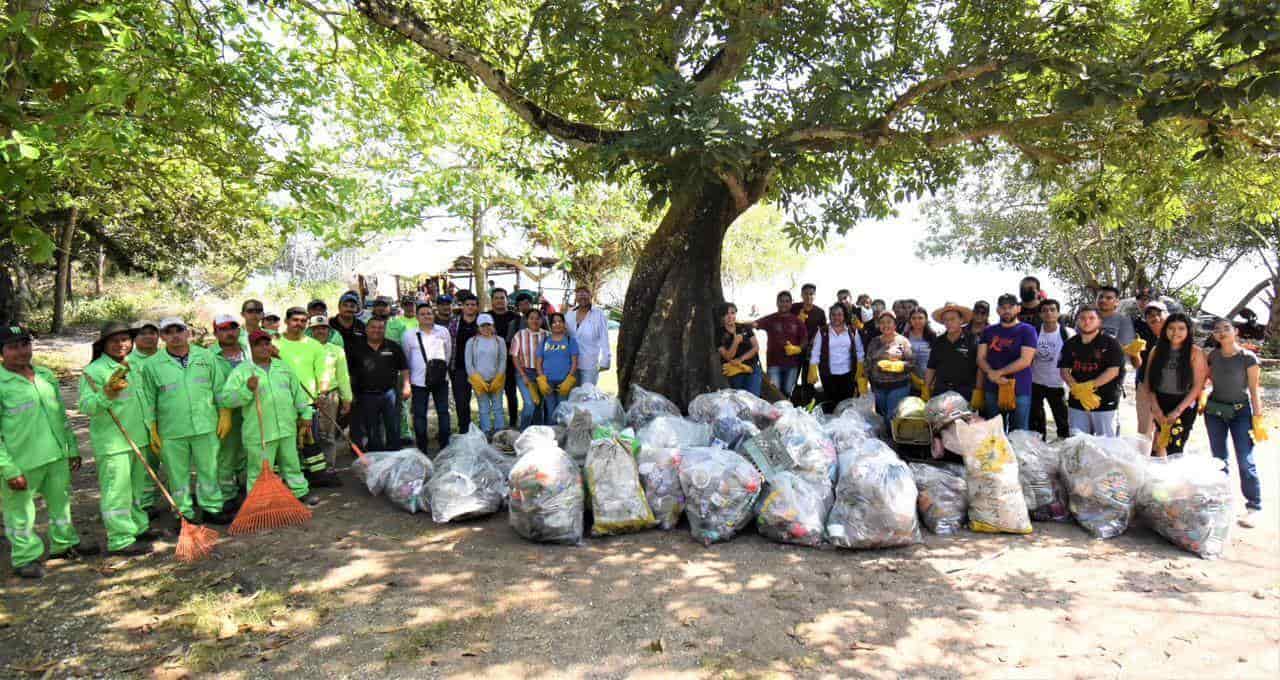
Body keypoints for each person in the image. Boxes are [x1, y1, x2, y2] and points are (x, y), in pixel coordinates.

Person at [1, 325, 98, 577]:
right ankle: (24, 558)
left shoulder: (45, 375)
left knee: (61, 503)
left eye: (25, 344)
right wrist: (8, 469)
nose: (21, 352)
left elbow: (60, 417)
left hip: (55, 455)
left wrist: (72, 448)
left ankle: (63, 545)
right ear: (2, 352)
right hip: (21, 461)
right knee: (20, 512)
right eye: (13, 347)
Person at [137, 318, 227, 523]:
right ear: (162, 336)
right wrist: (152, 427)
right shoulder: (152, 365)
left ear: (188, 333)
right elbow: (149, 399)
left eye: (180, 330)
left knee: (209, 469)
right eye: (169, 332)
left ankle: (212, 507)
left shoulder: (205, 357)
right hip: (172, 430)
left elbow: (219, 388)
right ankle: (183, 513)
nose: (175, 335)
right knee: (177, 475)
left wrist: (225, 413)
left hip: (206, 426)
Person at [78, 322, 156, 557]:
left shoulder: (133, 365)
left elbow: (142, 401)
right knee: (117, 492)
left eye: (125, 339)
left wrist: (151, 429)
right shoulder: (94, 372)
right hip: (113, 443)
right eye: (115, 340)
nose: (121, 344)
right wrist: (107, 393)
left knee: (137, 490)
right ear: (103, 344)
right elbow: (87, 407)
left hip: (138, 437)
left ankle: (138, 528)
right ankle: (120, 539)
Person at [217, 331, 318, 506]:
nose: (264, 348)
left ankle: (300, 492)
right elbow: (227, 400)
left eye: (267, 343)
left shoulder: (283, 368)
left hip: (286, 428)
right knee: (259, 471)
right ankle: (259, 504)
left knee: (292, 464)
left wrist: (306, 414)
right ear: (251, 348)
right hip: (259, 432)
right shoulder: (243, 371)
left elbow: (298, 395)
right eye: (258, 344)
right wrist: (247, 390)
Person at [1201, 318, 1267, 528]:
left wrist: (1257, 418)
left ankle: (1253, 507)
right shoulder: (1212, 356)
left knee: (1245, 461)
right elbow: (1205, 381)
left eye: (1226, 328)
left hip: (1241, 413)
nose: (1221, 332)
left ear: (1235, 331)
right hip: (1215, 412)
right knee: (1219, 460)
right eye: (1217, 330)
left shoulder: (1248, 358)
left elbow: (1254, 390)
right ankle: (1222, 505)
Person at [1145, 313, 1207, 456]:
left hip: (1184, 403)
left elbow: (1198, 385)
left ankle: (1172, 477)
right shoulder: (1156, 350)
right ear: (1165, 329)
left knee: (1175, 447)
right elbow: (1149, 381)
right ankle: (1156, 476)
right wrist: (1155, 407)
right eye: (1171, 328)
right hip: (1160, 401)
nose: (1175, 332)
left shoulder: (1195, 352)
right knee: (1158, 445)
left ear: (1188, 331)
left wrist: (1178, 411)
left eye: (1181, 328)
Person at [1057, 305, 1125, 437]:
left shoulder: (1111, 343)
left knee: (1107, 445)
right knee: (1078, 443)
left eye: (1091, 318)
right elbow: (1064, 370)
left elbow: (1113, 371)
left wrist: (1089, 386)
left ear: (1099, 321)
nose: (1086, 321)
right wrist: (1076, 387)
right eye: (1082, 318)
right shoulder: (1070, 343)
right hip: (1077, 401)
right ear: (1077, 321)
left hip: (1105, 401)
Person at [349, 317, 411, 452]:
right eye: (373, 327)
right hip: (366, 395)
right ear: (366, 329)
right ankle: (376, 456)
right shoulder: (356, 348)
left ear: (384, 330)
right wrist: (350, 393)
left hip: (389, 394)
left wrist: (407, 385)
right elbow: (349, 373)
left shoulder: (393, 346)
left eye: (380, 328)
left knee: (393, 427)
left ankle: (394, 455)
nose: (376, 330)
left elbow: (404, 368)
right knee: (372, 429)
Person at [977, 294, 1038, 431]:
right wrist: (991, 373)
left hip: (1019, 389)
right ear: (998, 310)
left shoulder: (1027, 330)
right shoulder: (988, 331)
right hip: (993, 388)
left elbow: (1025, 360)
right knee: (994, 431)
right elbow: (980, 358)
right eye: (1003, 307)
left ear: (1018, 309)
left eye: (1010, 307)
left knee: (1019, 432)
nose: (1007, 311)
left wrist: (998, 373)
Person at [209, 314, 248, 513]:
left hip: (250, 411)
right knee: (227, 455)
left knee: (250, 451)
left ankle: (246, 488)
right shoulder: (208, 356)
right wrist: (223, 410)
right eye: (223, 329)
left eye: (232, 328)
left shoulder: (248, 349)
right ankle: (227, 495)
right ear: (215, 333)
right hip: (225, 414)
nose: (229, 333)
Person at [307, 318, 351, 483]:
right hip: (308, 396)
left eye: (323, 328)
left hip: (329, 396)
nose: (320, 331)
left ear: (329, 331)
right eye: (316, 328)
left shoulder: (337, 350)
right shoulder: (305, 347)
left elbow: (343, 376)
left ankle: (328, 468)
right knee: (308, 435)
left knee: (327, 435)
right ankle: (311, 470)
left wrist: (347, 398)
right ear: (311, 330)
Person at [404, 302, 452, 452]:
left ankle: (445, 445)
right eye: (423, 314)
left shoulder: (443, 331)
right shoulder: (409, 335)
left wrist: (440, 371)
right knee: (419, 415)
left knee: (443, 412)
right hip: (418, 381)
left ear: (434, 315)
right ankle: (422, 447)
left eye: (429, 313)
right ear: (417, 317)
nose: (427, 316)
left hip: (440, 379)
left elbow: (448, 352)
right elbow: (406, 356)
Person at [128, 319, 163, 514]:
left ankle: (181, 504)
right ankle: (146, 504)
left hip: (169, 418)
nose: (149, 337)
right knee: (146, 464)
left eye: (153, 332)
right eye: (143, 333)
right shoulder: (127, 362)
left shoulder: (167, 357)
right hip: (141, 421)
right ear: (134, 337)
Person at [1029, 299, 1073, 440]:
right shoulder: (1033, 332)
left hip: (1058, 383)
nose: (1049, 313)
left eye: (1052, 310)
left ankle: (1064, 447)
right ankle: (1039, 448)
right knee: (1036, 421)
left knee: (1062, 421)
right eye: (1045, 310)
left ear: (1058, 313)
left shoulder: (1068, 333)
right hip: (1035, 381)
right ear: (1040, 314)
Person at [864, 311, 914, 433]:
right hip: (878, 387)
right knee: (881, 415)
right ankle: (886, 441)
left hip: (898, 386)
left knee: (892, 416)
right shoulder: (874, 341)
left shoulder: (903, 341)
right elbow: (868, 362)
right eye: (882, 322)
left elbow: (912, 363)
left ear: (894, 324)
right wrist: (864, 379)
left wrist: (898, 365)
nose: (885, 325)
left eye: (889, 322)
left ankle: (895, 442)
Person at [808, 304, 863, 412]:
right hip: (828, 374)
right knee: (831, 404)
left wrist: (861, 367)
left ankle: (845, 427)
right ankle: (832, 426)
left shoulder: (851, 330)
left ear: (844, 316)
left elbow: (859, 350)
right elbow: (815, 351)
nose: (836, 317)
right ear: (829, 316)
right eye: (833, 314)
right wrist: (812, 367)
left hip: (848, 374)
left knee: (846, 405)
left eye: (839, 314)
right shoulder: (823, 331)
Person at [752, 291, 807, 397]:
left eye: (787, 301)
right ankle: (777, 412)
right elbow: (754, 324)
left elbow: (805, 340)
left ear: (791, 303)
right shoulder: (770, 319)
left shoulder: (797, 321)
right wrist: (739, 323)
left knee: (787, 391)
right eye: (781, 301)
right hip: (774, 364)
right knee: (775, 392)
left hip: (792, 364)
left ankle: (786, 411)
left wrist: (798, 348)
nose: (784, 304)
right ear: (777, 303)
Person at [925, 303, 980, 403]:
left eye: (952, 319)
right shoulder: (938, 342)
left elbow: (980, 367)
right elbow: (931, 367)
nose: (949, 322)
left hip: (965, 392)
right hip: (941, 391)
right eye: (946, 320)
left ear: (961, 320)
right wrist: (926, 387)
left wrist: (979, 390)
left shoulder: (973, 340)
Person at [466, 314, 509, 436]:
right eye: (483, 326)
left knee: (498, 407)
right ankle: (486, 431)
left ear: (492, 325)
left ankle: (500, 432)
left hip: (496, 379)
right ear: (478, 327)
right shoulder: (472, 342)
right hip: (479, 381)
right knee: (483, 408)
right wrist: (476, 379)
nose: (486, 328)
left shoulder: (499, 341)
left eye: (488, 325)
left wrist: (499, 376)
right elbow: (469, 363)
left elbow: (502, 359)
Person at [1133, 300, 1168, 439]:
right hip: (1145, 386)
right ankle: (1143, 459)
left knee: (1165, 433)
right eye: (1149, 315)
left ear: (1167, 314)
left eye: (1158, 313)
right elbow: (1137, 364)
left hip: (1170, 390)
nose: (1155, 318)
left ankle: (1160, 458)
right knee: (1144, 433)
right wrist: (1134, 354)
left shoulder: (1178, 333)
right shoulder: (1141, 334)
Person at [487, 288, 522, 425]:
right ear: (492, 301)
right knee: (494, 396)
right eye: (496, 298)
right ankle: (494, 424)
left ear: (507, 300)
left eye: (502, 298)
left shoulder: (516, 318)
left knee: (511, 393)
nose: (500, 300)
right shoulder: (486, 317)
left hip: (510, 361)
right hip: (490, 362)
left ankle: (513, 422)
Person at [448, 292, 481, 433]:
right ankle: (464, 430)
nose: (470, 307)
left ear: (477, 307)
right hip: (460, 368)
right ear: (463, 307)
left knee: (483, 402)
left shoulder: (482, 322)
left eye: (473, 305)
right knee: (462, 402)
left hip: (480, 368)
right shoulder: (455, 323)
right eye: (467, 305)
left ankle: (484, 431)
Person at [566, 286, 611, 387]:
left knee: (586, 396)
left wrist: (605, 361)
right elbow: (564, 335)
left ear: (591, 296)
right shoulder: (569, 313)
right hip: (571, 364)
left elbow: (604, 338)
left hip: (589, 364)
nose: (582, 295)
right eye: (579, 293)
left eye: (585, 293)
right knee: (571, 396)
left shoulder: (599, 314)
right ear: (576, 297)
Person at [510, 308, 548, 428]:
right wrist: (523, 375)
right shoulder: (519, 335)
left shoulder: (547, 335)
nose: (534, 321)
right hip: (524, 372)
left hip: (541, 374)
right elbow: (515, 356)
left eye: (537, 318)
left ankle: (537, 433)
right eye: (531, 318)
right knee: (529, 403)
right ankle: (523, 430)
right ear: (527, 320)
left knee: (539, 405)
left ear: (542, 320)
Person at [536, 313, 579, 418]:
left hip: (564, 381)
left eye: (560, 321)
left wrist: (569, 379)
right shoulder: (545, 341)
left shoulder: (570, 341)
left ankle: (562, 432)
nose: (557, 324)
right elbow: (538, 362)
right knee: (550, 410)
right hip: (548, 381)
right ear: (550, 325)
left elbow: (574, 362)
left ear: (564, 324)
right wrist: (541, 379)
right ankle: (552, 432)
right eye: (554, 322)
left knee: (562, 410)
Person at [716, 303, 763, 396]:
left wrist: (740, 359)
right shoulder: (719, 333)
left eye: (732, 313)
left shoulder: (744, 328)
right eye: (726, 314)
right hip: (734, 370)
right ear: (721, 317)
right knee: (740, 399)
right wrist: (735, 342)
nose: (730, 316)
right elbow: (728, 356)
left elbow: (756, 347)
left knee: (753, 397)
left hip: (751, 368)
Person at [1097, 286, 1143, 373]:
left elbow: (1127, 351)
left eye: (1109, 298)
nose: (1103, 300)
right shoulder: (1086, 318)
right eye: (1100, 297)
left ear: (1117, 302)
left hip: (1114, 372)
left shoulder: (1124, 320)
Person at [792, 283, 826, 381]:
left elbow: (823, 331)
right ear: (801, 295)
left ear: (815, 296)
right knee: (791, 381)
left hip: (810, 351)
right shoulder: (793, 308)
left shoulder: (820, 312)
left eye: (811, 294)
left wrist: (815, 344)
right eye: (806, 294)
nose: (808, 296)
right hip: (794, 350)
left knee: (808, 382)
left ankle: (807, 396)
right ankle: (787, 396)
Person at [905, 308, 936, 397]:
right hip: (911, 381)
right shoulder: (905, 335)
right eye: (913, 318)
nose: (917, 321)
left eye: (920, 318)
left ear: (926, 320)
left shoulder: (933, 336)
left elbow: (937, 359)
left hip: (930, 382)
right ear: (910, 320)